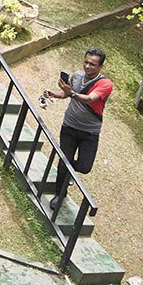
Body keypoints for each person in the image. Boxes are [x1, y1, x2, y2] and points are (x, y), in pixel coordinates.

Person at [40, 49, 112, 215]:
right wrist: (54, 94)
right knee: (64, 161)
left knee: (85, 167)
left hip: (90, 132)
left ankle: (69, 169)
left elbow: (89, 99)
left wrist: (70, 93)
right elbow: (66, 94)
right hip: (70, 127)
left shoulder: (105, 84)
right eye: (85, 62)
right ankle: (60, 194)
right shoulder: (77, 76)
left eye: (92, 64)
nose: (87, 66)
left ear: (100, 66)